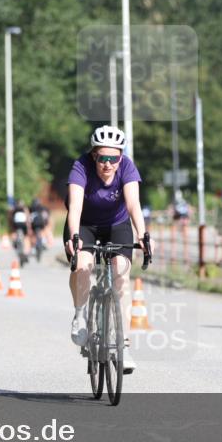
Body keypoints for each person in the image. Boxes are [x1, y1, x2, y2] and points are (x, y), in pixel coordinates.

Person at [65, 125, 150, 374]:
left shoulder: (127, 167)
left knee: (121, 272)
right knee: (82, 265)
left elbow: (133, 204)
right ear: (94, 155)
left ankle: (123, 345)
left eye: (114, 159)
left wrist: (143, 235)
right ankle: (80, 314)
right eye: (103, 158)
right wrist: (74, 237)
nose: (108, 164)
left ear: (121, 158)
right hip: (84, 224)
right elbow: (75, 206)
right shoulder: (81, 167)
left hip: (117, 224)